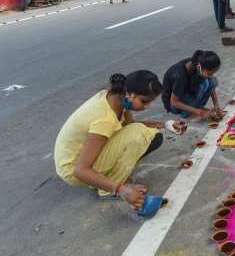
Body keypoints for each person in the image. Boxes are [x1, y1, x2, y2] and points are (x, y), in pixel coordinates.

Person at [54, 71, 164, 210]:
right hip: (73, 169)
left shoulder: (116, 98)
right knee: (140, 134)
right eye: (144, 101)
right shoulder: (105, 120)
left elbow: (128, 126)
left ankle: (106, 179)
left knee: (147, 134)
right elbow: (80, 170)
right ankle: (109, 188)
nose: (147, 106)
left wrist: (165, 124)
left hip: (78, 158)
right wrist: (122, 190)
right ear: (129, 94)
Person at [162, 50, 224, 121]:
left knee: (213, 81)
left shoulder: (198, 64)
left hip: (188, 93)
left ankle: (195, 107)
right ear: (198, 67)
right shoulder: (180, 75)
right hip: (174, 106)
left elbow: (212, 84)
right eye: (210, 73)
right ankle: (187, 113)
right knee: (204, 84)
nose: (211, 76)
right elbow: (174, 102)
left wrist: (216, 105)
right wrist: (199, 112)